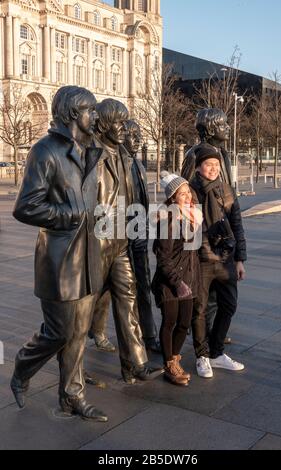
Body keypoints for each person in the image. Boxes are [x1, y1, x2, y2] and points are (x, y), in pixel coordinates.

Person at [10, 86, 108, 422]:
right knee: (59, 332)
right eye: (90, 110)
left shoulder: (92, 152)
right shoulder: (45, 151)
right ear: (71, 113)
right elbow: (25, 207)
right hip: (59, 259)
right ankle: (22, 368)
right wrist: (69, 215)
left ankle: (72, 396)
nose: (95, 116)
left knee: (80, 334)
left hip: (89, 256)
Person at [89, 99, 163, 384]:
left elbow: (132, 197)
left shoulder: (127, 158)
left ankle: (135, 363)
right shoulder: (91, 154)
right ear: (104, 125)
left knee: (129, 295)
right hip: (99, 239)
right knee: (82, 308)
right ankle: (66, 361)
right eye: (119, 124)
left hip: (125, 237)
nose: (124, 130)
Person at [190, 144, 247, 378]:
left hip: (226, 259)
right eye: (208, 164)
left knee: (229, 305)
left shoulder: (226, 190)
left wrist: (240, 259)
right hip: (201, 259)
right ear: (199, 167)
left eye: (216, 165)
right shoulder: (191, 190)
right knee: (200, 309)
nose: (212, 168)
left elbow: (237, 226)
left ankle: (217, 352)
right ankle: (202, 356)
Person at [182, 108, 233, 345]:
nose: (228, 128)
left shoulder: (224, 154)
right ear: (211, 128)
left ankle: (214, 332)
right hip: (202, 231)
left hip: (223, 228)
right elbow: (183, 192)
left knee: (221, 290)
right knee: (204, 291)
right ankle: (205, 333)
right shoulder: (194, 154)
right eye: (223, 125)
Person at [152, 172, 203, 386]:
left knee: (184, 324)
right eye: (182, 193)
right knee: (170, 322)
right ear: (173, 198)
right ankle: (169, 365)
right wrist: (177, 283)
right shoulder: (168, 221)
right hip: (169, 282)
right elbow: (163, 258)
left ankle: (174, 358)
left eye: (188, 192)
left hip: (189, 279)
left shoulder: (193, 217)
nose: (187, 196)